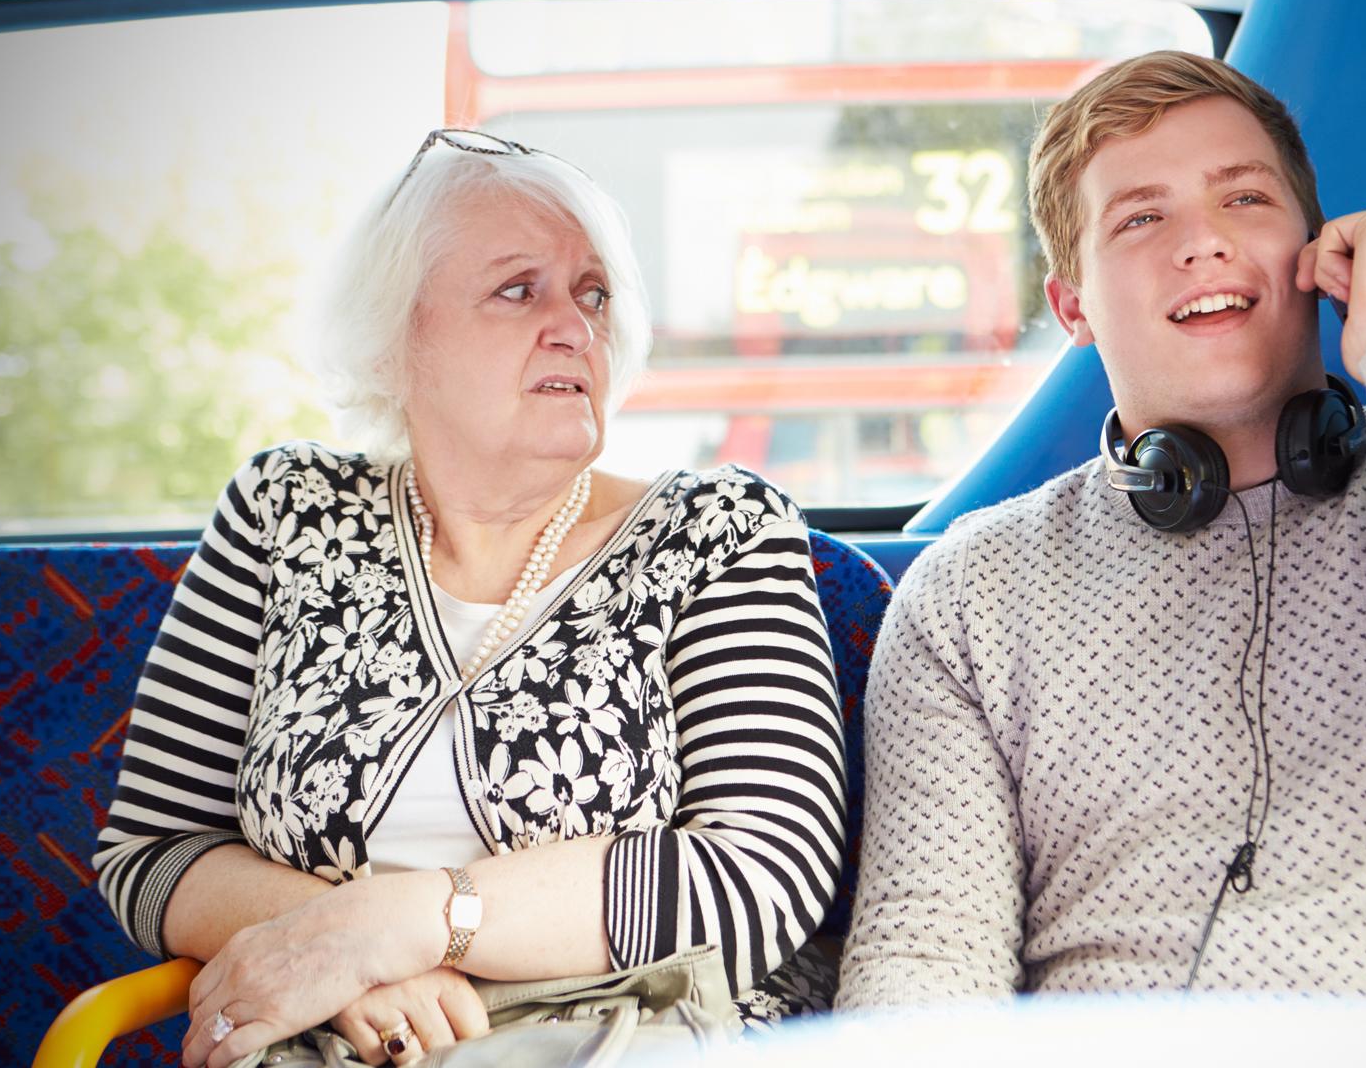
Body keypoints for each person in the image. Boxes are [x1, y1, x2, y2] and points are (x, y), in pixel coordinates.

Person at [836, 51, 1366, 1006]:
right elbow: (921, 965)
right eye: (1142, 217)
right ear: (1072, 304)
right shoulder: (972, 589)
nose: (1202, 243)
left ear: (1316, 250)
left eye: (1243, 199)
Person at [93, 129, 845, 1067]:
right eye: (518, 289)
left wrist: (409, 923)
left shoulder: (719, 529)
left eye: (595, 292)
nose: (576, 323)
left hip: (629, 1036)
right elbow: (152, 853)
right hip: (329, 1037)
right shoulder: (283, 512)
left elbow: (761, 875)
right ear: (400, 332)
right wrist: (349, 958)